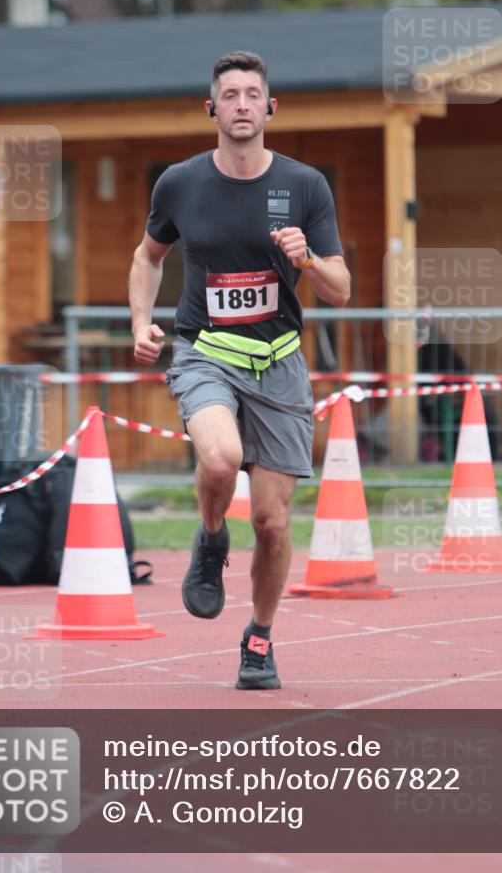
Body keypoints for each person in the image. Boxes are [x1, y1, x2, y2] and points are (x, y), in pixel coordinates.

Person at [129, 51, 350, 689]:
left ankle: (259, 637)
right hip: (206, 353)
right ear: (212, 109)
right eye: (230, 95)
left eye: (254, 94)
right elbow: (147, 257)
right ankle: (209, 537)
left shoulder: (305, 186)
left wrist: (308, 258)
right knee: (221, 459)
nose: (243, 104)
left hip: (278, 363)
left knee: (274, 522)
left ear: (271, 108)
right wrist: (141, 321)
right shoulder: (180, 182)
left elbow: (340, 288)